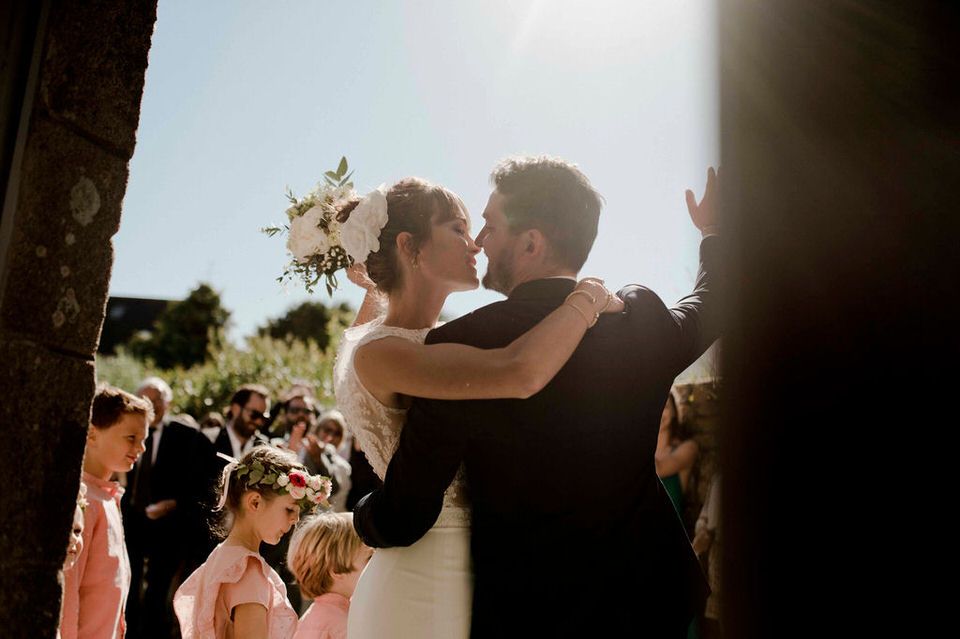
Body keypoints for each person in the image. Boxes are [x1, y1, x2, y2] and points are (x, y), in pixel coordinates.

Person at [353, 157, 721, 637]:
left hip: (530, 613)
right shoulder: (639, 318)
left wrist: (359, 518)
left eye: (488, 224)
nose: (479, 240)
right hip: (648, 600)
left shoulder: (461, 344)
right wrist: (713, 232)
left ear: (531, 242)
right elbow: (710, 303)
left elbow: (407, 513)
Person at [330, 175, 622, 638]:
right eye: (458, 229)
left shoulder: (405, 338)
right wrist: (586, 297)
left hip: (491, 567)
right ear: (410, 247)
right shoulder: (383, 353)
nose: (476, 244)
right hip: (427, 571)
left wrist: (371, 275)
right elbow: (518, 372)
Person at [172, 446, 330, 639]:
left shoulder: (222, 555)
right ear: (255, 502)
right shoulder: (247, 571)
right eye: (289, 509)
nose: (296, 520)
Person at [122, 376, 216, 638]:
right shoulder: (123, 430)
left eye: (157, 399)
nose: (151, 404)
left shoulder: (186, 437)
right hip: (130, 521)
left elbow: (202, 484)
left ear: (169, 403)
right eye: (145, 398)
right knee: (126, 584)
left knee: (158, 591)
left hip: (168, 528)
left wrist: (174, 504)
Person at [62, 383, 151, 639]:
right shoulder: (83, 499)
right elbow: (69, 590)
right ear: (91, 435)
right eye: (131, 438)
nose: (141, 448)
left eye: (143, 439)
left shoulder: (108, 498)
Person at [286, 512, 373, 639]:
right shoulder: (340, 624)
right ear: (337, 571)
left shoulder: (319, 615)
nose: (373, 568)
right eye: (369, 559)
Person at [657, 390, 700, 535]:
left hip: (668, 536)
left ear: (675, 412)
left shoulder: (688, 448)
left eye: (665, 407)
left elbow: (659, 468)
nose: (659, 412)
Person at [303, 410, 352, 512]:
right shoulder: (303, 453)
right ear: (318, 430)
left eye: (337, 433)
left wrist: (320, 459)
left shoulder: (344, 467)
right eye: (327, 430)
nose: (331, 437)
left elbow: (334, 488)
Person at [213, 384, 272, 461]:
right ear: (236, 409)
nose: (259, 421)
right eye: (254, 414)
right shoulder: (211, 440)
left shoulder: (265, 448)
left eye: (264, 417)